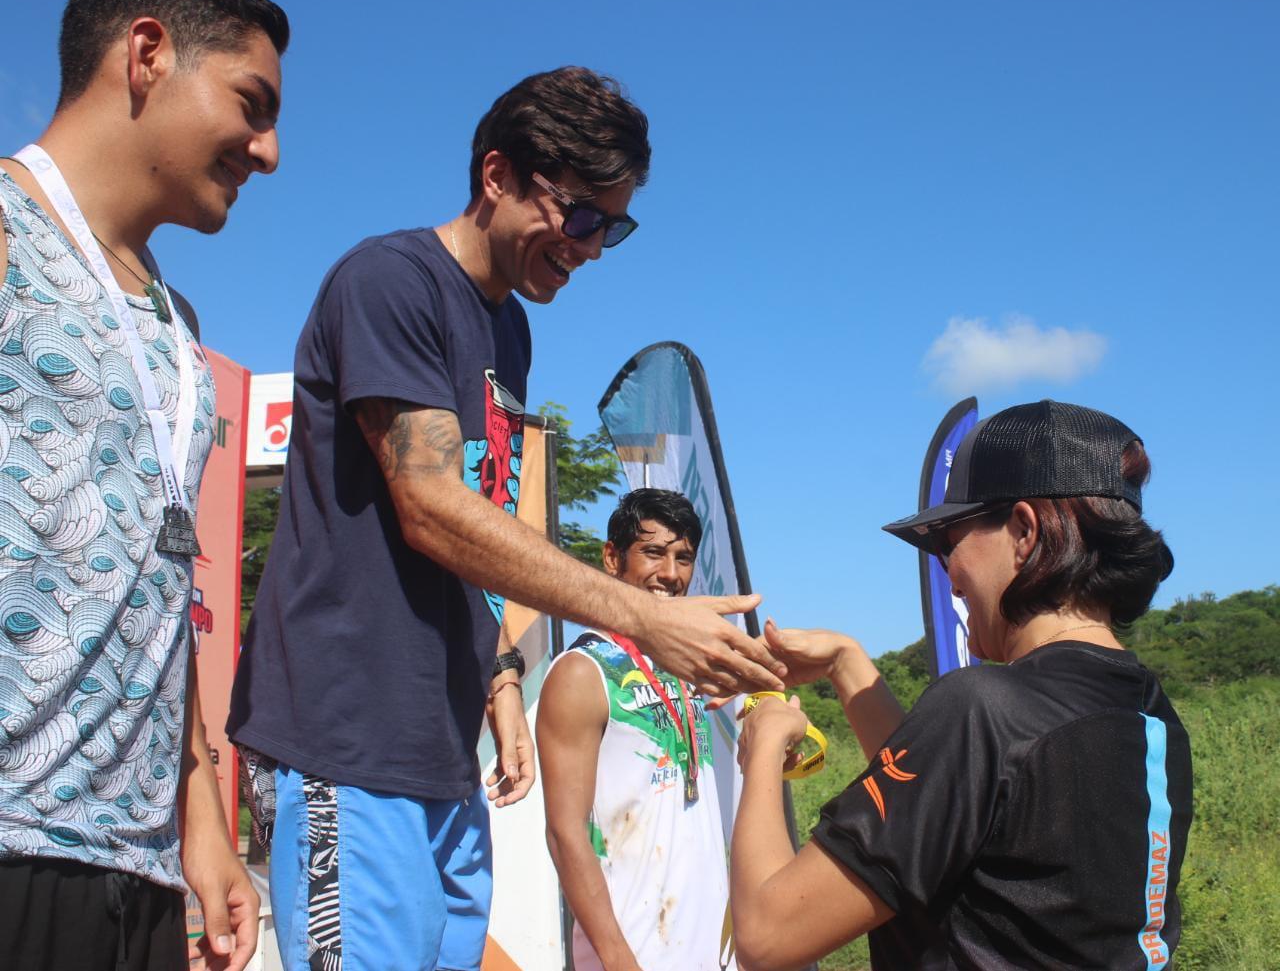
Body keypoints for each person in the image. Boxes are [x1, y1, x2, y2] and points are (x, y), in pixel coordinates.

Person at [226, 67, 781, 971]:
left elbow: (474, 540)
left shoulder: (509, 330)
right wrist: (642, 617)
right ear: (497, 175)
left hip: (443, 752)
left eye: (614, 226)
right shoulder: (390, 281)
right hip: (348, 740)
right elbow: (433, 509)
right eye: (582, 214)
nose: (592, 247)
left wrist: (501, 684)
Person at [0, 0, 288, 969]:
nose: (268, 151)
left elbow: (157, 589)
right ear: (148, 53)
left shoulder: (176, 327)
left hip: (139, 869)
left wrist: (201, 813)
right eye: (252, 104)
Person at [730, 399, 1193, 970]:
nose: (949, 574)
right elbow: (958, 799)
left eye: (951, 544)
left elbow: (767, 934)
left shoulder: (984, 707)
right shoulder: (1151, 714)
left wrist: (762, 744)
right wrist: (846, 663)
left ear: (1023, 531)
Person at [539, 489, 734, 971]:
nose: (670, 573)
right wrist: (617, 958)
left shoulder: (691, 665)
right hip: (632, 953)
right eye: (653, 552)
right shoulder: (583, 671)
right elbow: (565, 833)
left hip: (711, 950)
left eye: (683, 557)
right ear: (612, 558)